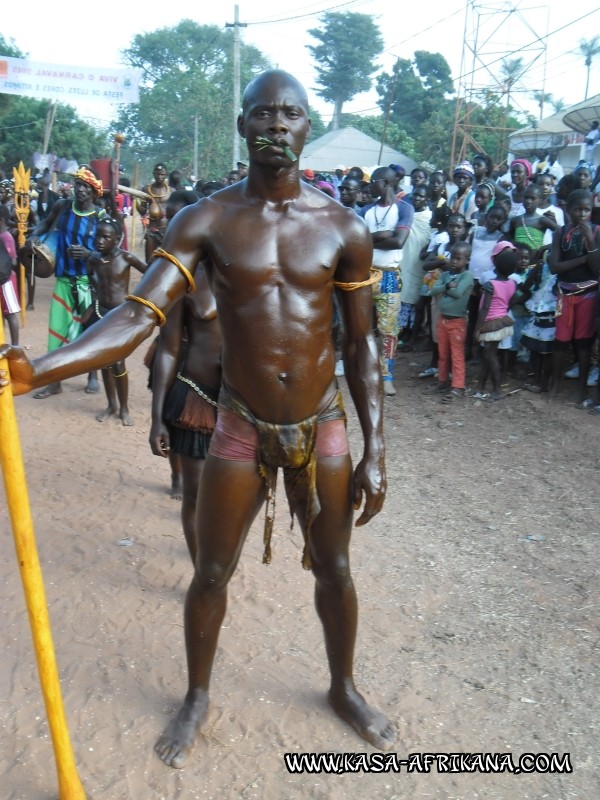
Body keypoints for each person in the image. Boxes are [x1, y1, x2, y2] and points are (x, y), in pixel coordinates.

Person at [0, 69, 393, 767]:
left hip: (322, 421)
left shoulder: (343, 227)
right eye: (263, 113)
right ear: (243, 126)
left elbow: (361, 345)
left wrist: (378, 448)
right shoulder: (206, 221)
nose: (277, 125)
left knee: (334, 567)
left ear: (308, 127)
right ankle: (197, 694)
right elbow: (138, 314)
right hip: (239, 420)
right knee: (211, 572)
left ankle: (343, 684)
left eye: (291, 114)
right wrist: (45, 368)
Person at [27, 166, 104, 399]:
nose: (79, 189)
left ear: (93, 192)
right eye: (77, 184)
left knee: (89, 330)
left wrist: (89, 254)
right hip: (63, 279)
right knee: (57, 331)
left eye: (85, 186)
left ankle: (92, 375)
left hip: (87, 282)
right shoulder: (62, 207)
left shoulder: (101, 217)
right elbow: (44, 224)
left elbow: (110, 251)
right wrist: (35, 235)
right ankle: (54, 381)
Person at [358, 166, 414, 396]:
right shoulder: (365, 210)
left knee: (388, 329)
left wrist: (368, 240)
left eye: (374, 182)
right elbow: (355, 239)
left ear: (386, 183)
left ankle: (387, 375)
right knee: (363, 327)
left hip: (389, 274)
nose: (370, 186)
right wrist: (382, 236)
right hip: (364, 274)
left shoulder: (404, 208)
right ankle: (365, 371)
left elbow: (398, 241)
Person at [85, 217, 147, 425]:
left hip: (120, 316)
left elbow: (150, 273)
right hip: (101, 313)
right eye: (97, 236)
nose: (100, 241)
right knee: (103, 360)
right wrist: (96, 293)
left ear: (117, 239)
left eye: (106, 237)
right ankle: (111, 405)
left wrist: (136, 299)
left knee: (118, 363)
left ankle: (124, 408)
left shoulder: (126, 258)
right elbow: (90, 275)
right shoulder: (94, 258)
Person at [549, 189, 600, 406]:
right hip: (564, 292)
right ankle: (554, 385)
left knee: (583, 342)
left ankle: (581, 389)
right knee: (561, 341)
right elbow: (553, 266)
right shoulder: (561, 232)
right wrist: (582, 260)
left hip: (588, 294)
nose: (581, 214)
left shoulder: (596, 232)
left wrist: (590, 241)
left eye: (586, 210)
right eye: (577, 209)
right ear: (568, 210)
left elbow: (597, 269)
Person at [428, 242, 474, 402]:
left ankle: (458, 386)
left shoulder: (467, 276)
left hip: (457, 322)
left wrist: (444, 288)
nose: (454, 261)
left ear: (467, 260)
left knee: (457, 355)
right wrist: (447, 285)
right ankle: (442, 381)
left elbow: (458, 292)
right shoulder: (447, 275)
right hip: (443, 320)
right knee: (443, 354)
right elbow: (433, 290)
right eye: (453, 257)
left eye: (458, 258)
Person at [473, 243, 519, 400]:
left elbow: (484, 309)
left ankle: (497, 389)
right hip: (503, 322)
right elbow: (512, 301)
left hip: (490, 323)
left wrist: (477, 329)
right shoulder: (512, 283)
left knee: (490, 355)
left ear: (495, 265)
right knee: (489, 354)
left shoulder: (490, 285)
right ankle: (480, 386)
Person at [137, 164, 172, 262]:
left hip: (167, 229)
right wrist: (136, 203)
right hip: (152, 229)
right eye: (157, 174)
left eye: (162, 174)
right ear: (153, 174)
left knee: (167, 260)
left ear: (166, 175)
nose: (159, 177)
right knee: (149, 260)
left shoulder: (172, 191)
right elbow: (143, 211)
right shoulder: (146, 189)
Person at [0, 205, 20, 345]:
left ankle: (15, 345)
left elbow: (12, 259)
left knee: (10, 314)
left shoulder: (6, 237)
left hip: (7, 280)